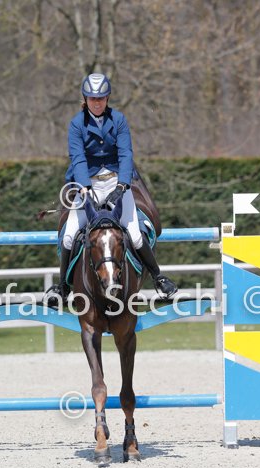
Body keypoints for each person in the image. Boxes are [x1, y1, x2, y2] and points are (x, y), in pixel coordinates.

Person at [49, 72, 177, 305]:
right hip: (87, 183)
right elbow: (77, 158)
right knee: (68, 236)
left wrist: (123, 184)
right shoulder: (76, 124)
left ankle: (158, 278)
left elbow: (126, 154)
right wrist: (84, 189)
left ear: (107, 98)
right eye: (92, 99)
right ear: (86, 99)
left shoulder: (118, 119)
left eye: (100, 98)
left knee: (135, 235)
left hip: (116, 180)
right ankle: (62, 287)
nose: (97, 103)